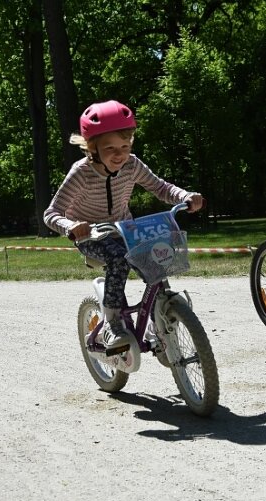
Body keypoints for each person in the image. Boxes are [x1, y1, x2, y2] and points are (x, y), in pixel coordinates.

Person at [44, 100, 203, 349]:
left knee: (157, 259)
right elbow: (51, 212)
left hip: (125, 231)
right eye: (110, 147)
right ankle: (113, 324)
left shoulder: (132, 165)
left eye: (125, 145)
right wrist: (70, 226)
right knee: (119, 260)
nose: (119, 154)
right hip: (92, 236)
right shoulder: (81, 173)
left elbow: (160, 187)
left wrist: (184, 196)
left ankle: (158, 320)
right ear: (92, 147)